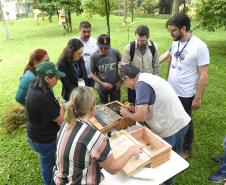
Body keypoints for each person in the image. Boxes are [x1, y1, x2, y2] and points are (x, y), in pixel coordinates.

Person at [53, 86, 143, 185]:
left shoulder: (67, 123)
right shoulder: (93, 136)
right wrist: (131, 151)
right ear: (92, 106)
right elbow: (113, 169)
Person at [120, 65, 190, 185]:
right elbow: (150, 103)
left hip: (171, 128)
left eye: (124, 82)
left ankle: (166, 182)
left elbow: (141, 116)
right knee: (170, 158)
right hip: (180, 122)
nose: (126, 86)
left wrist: (127, 114)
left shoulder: (141, 86)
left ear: (127, 77)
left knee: (164, 163)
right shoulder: (146, 77)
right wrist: (133, 108)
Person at [166, 13, 210, 159]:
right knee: (173, 117)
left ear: (184, 28)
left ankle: (187, 147)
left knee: (186, 121)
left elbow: (204, 74)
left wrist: (198, 97)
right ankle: (173, 141)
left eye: (173, 30)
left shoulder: (200, 46)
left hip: (186, 93)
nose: (171, 33)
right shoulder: (175, 42)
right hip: (171, 89)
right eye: (169, 30)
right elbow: (171, 60)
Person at [25, 61, 65, 185]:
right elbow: (60, 118)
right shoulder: (40, 97)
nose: (58, 80)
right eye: (56, 77)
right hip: (44, 139)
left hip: (36, 134)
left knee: (45, 161)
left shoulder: (36, 84)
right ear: (47, 78)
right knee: (49, 165)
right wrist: (62, 106)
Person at [121, 25, 160, 104]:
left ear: (148, 38)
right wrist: (126, 84)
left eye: (143, 41)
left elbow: (156, 66)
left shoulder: (154, 47)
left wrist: (157, 82)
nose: (140, 43)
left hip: (149, 83)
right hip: (134, 85)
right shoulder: (129, 48)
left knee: (148, 106)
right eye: (138, 40)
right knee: (133, 106)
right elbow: (124, 68)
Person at [91, 34, 121, 104]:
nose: (103, 50)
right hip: (101, 88)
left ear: (110, 46)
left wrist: (120, 81)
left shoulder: (115, 52)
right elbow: (92, 74)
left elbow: (124, 66)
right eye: (101, 48)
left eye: (106, 48)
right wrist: (102, 83)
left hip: (115, 86)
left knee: (116, 105)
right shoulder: (94, 57)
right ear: (97, 45)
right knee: (104, 108)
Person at [77, 21, 98, 87]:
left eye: (88, 32)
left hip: (92, 75)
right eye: (84, 32)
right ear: (79, 31)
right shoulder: (74, 42)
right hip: (79, 77)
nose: (86, 34)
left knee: (89, 94)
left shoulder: (95, 42)